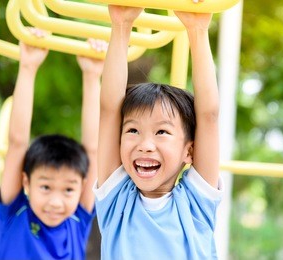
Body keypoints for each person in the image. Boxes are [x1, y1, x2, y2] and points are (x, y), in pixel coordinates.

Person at [94, 4, 224, 260]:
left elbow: (208, 117)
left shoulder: (195, 205)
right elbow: (109, 110)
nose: (145, 144)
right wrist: (120, 26)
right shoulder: (117, 201)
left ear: (190, 150)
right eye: (133, 130)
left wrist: (197, 31)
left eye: (161, 132)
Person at [0, 30, 105, 259]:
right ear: (26, 181)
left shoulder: (78, 218)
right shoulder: (15, 212)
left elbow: (93, 149)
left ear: (82, 186)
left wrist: (93, 76)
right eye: (45, 187)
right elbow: (17, 143)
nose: (56, 202)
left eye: (68, 190)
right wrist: (28, 67)